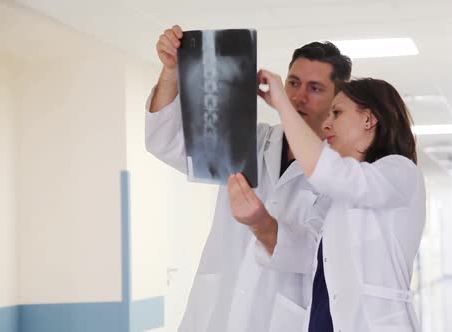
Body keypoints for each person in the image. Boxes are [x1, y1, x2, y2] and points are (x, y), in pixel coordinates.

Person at [145, 25, 352, 332]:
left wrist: (260, 222)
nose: (298, 96)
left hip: (279, 318)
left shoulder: (341, 173)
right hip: (217, 314)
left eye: (315, 88)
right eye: (293, 82)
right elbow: (165, 141)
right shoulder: (247, 142)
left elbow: (310, 254)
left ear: (337, 99)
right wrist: (170, 72)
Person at [256, 70, 426, 332]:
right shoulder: (338, 200)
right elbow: (305, 252)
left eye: (337, 113)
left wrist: (283, 106)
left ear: (369, 119)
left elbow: (331, 173)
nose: (326, 125)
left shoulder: (400, 171)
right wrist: (256, 220)